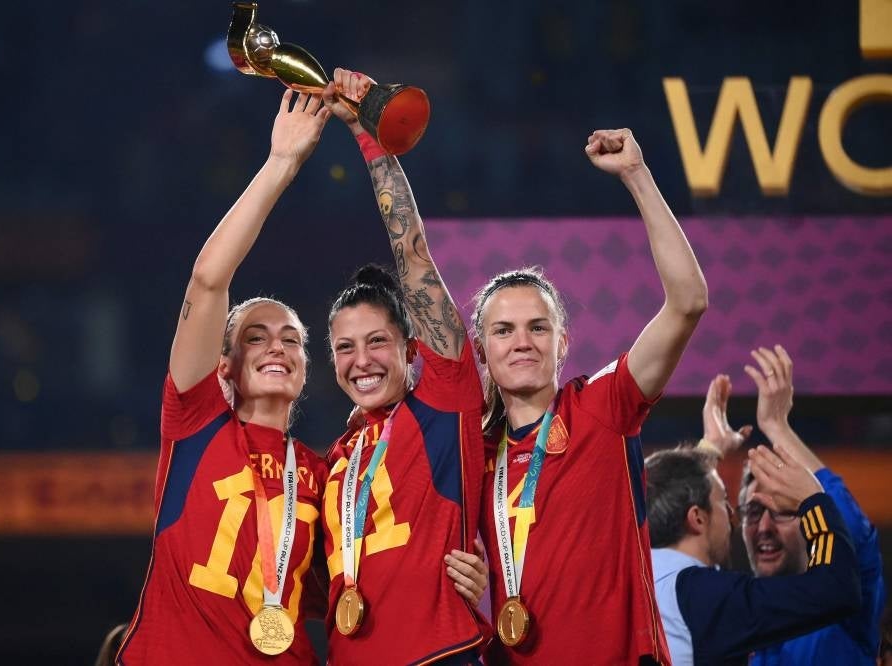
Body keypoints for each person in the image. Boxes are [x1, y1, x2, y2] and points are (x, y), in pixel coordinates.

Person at [472, 129, 708, 664]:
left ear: (563, 345)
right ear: (482, 354)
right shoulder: (474, 454)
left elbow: (688, 301)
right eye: (503, 331)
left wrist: (635, 175)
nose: (522, 342)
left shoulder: (602, 407)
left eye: (538, 327)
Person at [116, 90, 333, 664]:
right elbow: (208, 282)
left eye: (292, 339)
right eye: (256, 337)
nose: (278, 346)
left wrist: (463, 570)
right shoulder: (196, 423)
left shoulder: (326, 474)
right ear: (224, 366)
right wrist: (281, 165)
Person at [318, 70, 490, 664]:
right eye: (344, 347)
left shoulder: (443, 407)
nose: (360, 361)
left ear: (413, 350)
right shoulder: (336, 461)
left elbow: (412, 256)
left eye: (377, 342)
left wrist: (371, 141)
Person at [645, 372, 862, 665]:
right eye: (724, 502)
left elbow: (657, 492)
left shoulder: (626, 577)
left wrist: (707, 453)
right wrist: (813, 498)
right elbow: (835, 587)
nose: (733, 517)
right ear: (697, 518)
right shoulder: (706, 596)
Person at [737, 345, 886, 666]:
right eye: (753, 512)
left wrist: (777, 427)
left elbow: (850, 530)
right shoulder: (737, 617)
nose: (764, 527)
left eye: (781, 511)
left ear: (811, 518)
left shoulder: (844, 600)